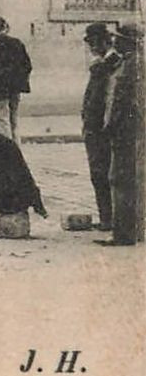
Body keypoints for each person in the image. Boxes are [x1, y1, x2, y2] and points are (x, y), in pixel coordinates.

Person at [97, 24, 141, 247]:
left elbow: (121, 102)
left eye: (119, 39)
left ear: (127, 42)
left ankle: (123, 233)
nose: (115, 42)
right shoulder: (129, 62)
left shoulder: (131, 66)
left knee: (120, 179)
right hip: (128, 130)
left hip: (124, 131)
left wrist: (110, 125)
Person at [81, 22, 122, 234]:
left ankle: (110, 218)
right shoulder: (101, 64)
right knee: (98, 174)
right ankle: (105, 217)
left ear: (102, 42)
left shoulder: (113, 63)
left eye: (93, 43)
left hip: (101, 129)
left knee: (104, 173)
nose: (91, 47)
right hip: (92, 127)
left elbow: (107, 98)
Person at [0, 16, 32, 140]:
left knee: (2, 120)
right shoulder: (17, 43)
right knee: (14, 120)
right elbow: (27, 66)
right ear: (5, 27)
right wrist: (20, 82)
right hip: (15, 89)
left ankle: (7, 151)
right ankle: (16, 149)